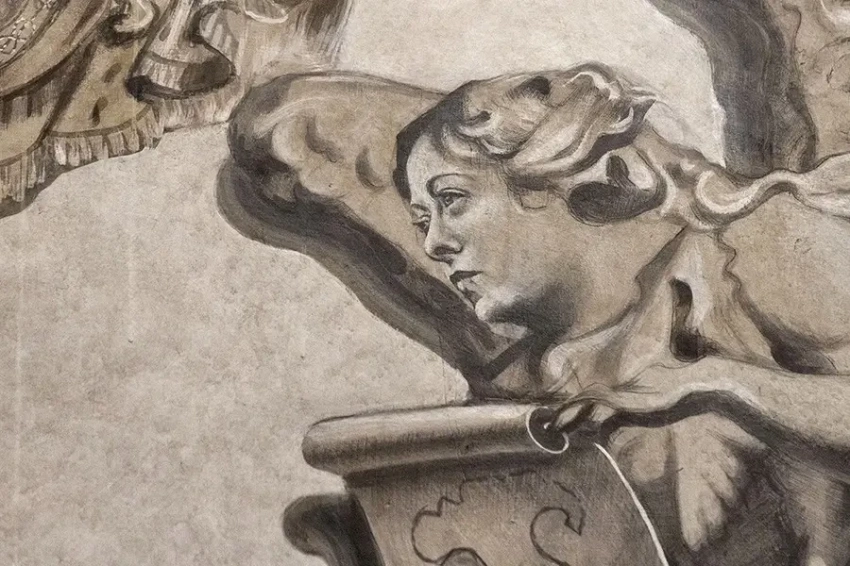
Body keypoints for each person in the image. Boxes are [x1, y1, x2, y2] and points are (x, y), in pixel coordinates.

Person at [394, 63, 850, 566]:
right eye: (422, 221)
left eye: (451, 199)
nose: (434, 244)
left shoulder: (754, 246)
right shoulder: (522, 378)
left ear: (554, 175)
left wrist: (717, 383)